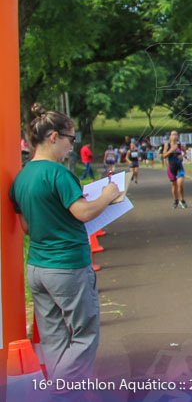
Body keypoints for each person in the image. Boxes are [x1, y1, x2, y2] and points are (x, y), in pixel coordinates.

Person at [10, 104, 124, 386]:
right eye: (70, 140)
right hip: (68, 265)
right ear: (53, 137)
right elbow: (83, 213)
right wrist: (109, 194)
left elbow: (26, 227)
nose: (71, 148)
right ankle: (63, 389)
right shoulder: (59, 174)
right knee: (84, 334)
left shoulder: (21, 177)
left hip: (38, 267)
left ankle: (61, 387)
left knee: (53, 335)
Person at [162, 131, 188, 209]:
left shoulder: (180, 145)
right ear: (170, 137)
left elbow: (185, 152)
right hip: (171, 167)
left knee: (180, 183)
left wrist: (183, 156)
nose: (174, 136)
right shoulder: (167, 145)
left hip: (179, 167)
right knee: (174, 185)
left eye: (176, 135)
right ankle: (175, 200)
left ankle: (182, 200)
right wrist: (171, 150)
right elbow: (164, 156)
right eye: (173, 135)